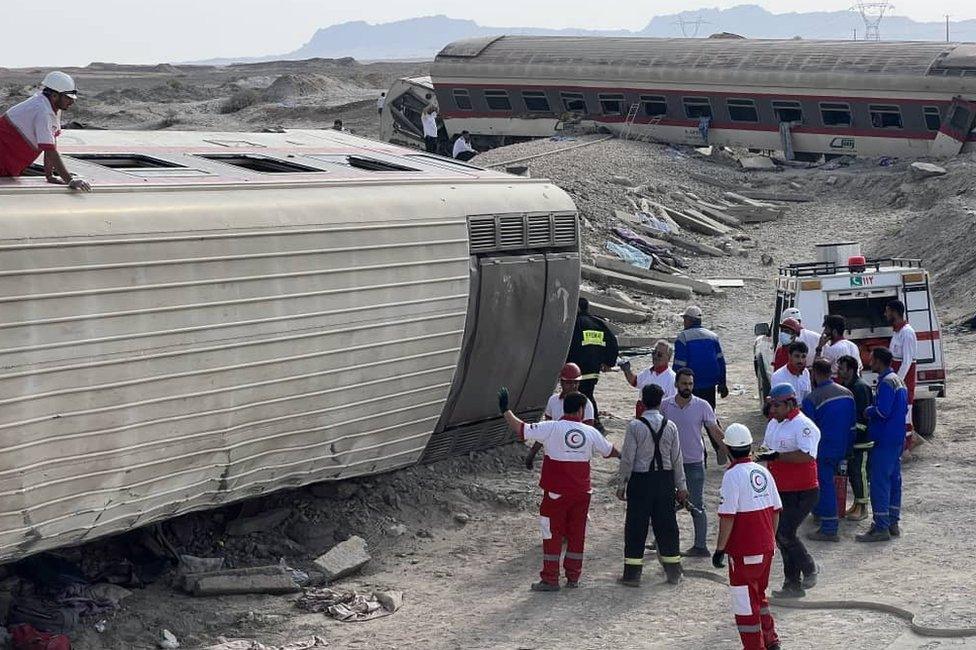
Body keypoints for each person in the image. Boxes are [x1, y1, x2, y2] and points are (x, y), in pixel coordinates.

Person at [499, 388, 620, 590]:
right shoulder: (591, 432)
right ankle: (573, 577)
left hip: (556, 494)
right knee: (576, 535)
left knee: (552, 535)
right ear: (581, 410)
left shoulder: (551, 427)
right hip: (582, 494)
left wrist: (505, 411)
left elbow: (521, 429)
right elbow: (610, 451)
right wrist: (627, 457)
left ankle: (550, 578)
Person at [713, 423, 782, 650]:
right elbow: (775, 511)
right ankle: (771, 639)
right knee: (759, 595)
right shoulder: (763, 471)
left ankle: (754, 646)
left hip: (744, 551)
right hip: (765, 548)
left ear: (728, 448)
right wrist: (770, 540)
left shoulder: (732, 476)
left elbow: (728, 517)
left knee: (744, 602)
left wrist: (720, 549)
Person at [617, 384, 688, 587]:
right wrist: (681, 487)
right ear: (660, 402)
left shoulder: (635, 426)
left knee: (636, 527)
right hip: (664, 482)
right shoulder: (670, 426)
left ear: (642, 402)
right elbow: (677, 459)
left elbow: (628, 458)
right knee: (667, 527)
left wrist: (622, 484)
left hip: (641, 482)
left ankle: (632, 575)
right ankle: (673, 572)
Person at [757, 383, 820, 598]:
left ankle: (809, 566)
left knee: (784, 532)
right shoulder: (774, 424)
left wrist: (776, 457)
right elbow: (766, 449)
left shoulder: (804, 426)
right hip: (780, 490)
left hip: (803, 491)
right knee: (781, 536)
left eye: (776, 405)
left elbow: (807, 456)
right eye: (771, 405)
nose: (772, 410)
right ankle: (792, 584)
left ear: (790, 404)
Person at [661, 368, 726, 557]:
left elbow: (715, 431)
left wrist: (732, 452)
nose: (687, 387)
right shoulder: (665, 406)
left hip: (694, 463)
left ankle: (700, 546)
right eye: (684, 384)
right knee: (665, 505)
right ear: (676, 384)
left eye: (690, 384)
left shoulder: (702, 405)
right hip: (670, 464)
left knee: (696, 504)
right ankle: (663, 543)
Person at [0, 72, 91, 191]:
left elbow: (51, 144)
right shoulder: (42, 110)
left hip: (8, 163)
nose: (72, 102)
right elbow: (50, 150)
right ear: (54, 95)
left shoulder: (52, 107)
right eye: (68, 98)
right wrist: (69, 180)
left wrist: (49, 175)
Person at [857, 347, 908, 542]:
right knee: (894, 480)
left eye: (872, 359)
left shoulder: (886, 383)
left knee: (879, 482)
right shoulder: (898, 380)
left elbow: (883, 411)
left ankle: (881, 527)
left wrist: (869, 411)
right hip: (896, 437)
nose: (870, 362)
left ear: (879, 361)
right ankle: (892, 521)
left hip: (885, 439)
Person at [802, 359, 856, 542]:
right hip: (842, 447)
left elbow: (808, 430)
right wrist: (848, 448)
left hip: (822, 449)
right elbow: (852, 426)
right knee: (831, 484)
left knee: (824, 486)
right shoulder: (847, 394)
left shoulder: (812, 398)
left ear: (815, 374)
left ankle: (829, 528)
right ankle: (821, 513)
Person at [524, 363, 596, 469]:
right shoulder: (553, 401)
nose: (574, 386)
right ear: (561, 382)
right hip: (555, 453)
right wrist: (532, 453)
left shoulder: (585, 403)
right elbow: (546, 430)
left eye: (576, 382)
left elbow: (589, 434)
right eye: (569, 382)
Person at [566, 297, 618, 431]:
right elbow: (613, 342)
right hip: (594, 368)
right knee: (586, 392)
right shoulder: (598, 323)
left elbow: (569, 345)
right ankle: (586, 421)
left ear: (577, 308)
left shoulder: (575, 324)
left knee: (584, 394)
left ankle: (594, 422)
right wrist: (608, 362)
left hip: (578, 368)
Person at [837, 354, 874, 521]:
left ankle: (863, 507)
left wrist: (854, 431)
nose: (838, 371)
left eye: (841, 368)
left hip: (861, 440)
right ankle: (857, 504)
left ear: (850, 370)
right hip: (851, 439)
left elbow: (863, 416)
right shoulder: (848, 386)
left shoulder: (860, 388)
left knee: (860, 473)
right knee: (853, 473)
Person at [673, 305, 728, 408]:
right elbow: (721, 362)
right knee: (709, 414)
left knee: (691, 415)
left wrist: (676, 384)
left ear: (689, 320)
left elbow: (679, 365)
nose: (684, 321)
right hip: (710, 386)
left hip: (690, 386)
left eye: (685, 318)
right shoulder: (713, 336)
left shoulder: (683, 337)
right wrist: (723, 383)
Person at [619, 339, 677, 417]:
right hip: (641, 414)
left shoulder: (671, 378)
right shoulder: (648, 371)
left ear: (668, 358)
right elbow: (635, 382)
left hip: (658, 418)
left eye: (659, 354)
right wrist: (627, 370)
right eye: (654, 353)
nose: (655, 356)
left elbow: (672, 404)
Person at [886, 300, 917, 437]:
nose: (885, 314)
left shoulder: (907, 333)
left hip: (904, 380)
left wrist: (897, 381)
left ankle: (907, 445)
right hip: (898, 377)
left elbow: (907, 361)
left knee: (906, 412)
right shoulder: (897, 332)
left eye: (887, 311)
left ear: (894, 312)